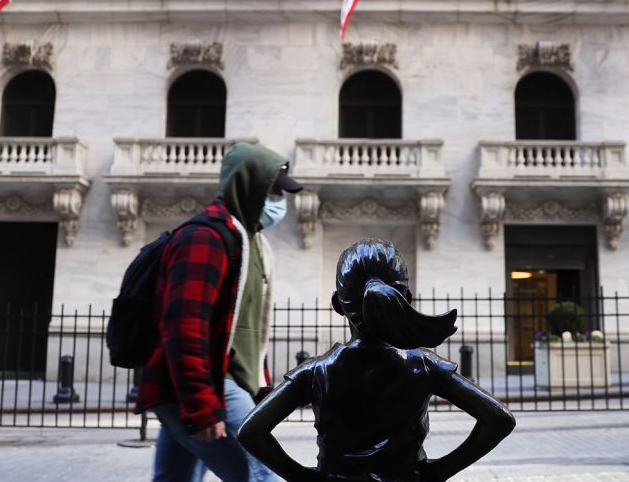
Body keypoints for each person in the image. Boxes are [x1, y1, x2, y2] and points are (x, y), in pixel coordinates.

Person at [238, 239, 516, 482]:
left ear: (338, 305)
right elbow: (498, 419)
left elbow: (251, 432)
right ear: (405, 298)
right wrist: (438, 472)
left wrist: (303, 477)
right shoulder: (423, 365)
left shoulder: (315, 371)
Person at [137, 142, 302, 482]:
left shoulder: (253, 242)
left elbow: (250, 329)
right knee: (262, 474)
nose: (279, 202)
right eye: (274, 191)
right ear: (250, 186)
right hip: (207, 384)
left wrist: (260, 387)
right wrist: (200, 403)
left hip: (212, 384)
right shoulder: (205, 239)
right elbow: (184, 328)